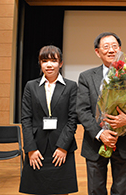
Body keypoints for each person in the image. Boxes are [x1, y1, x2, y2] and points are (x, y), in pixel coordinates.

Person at [76, 32, 126, 195]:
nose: (111, 50)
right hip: (95, 142)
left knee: (121, 190)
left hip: (125, 141)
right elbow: (82, 109)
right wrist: (100, 133)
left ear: (120, 49)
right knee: (95, 189)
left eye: (114, 46)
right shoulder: (86, 77)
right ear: (97, 51)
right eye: (106, 46)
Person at [19, 45, 78, 194]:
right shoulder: (30, 86)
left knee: (61, 191)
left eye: (53, 60)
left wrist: (63, 147)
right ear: (40, 63)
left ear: (61, 63)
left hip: (61, 149)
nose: (49, 65)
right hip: (37, 149)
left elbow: (72, 120)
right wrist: (30, 149)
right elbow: (26, 119)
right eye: (44, 61)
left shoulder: (71, 86)